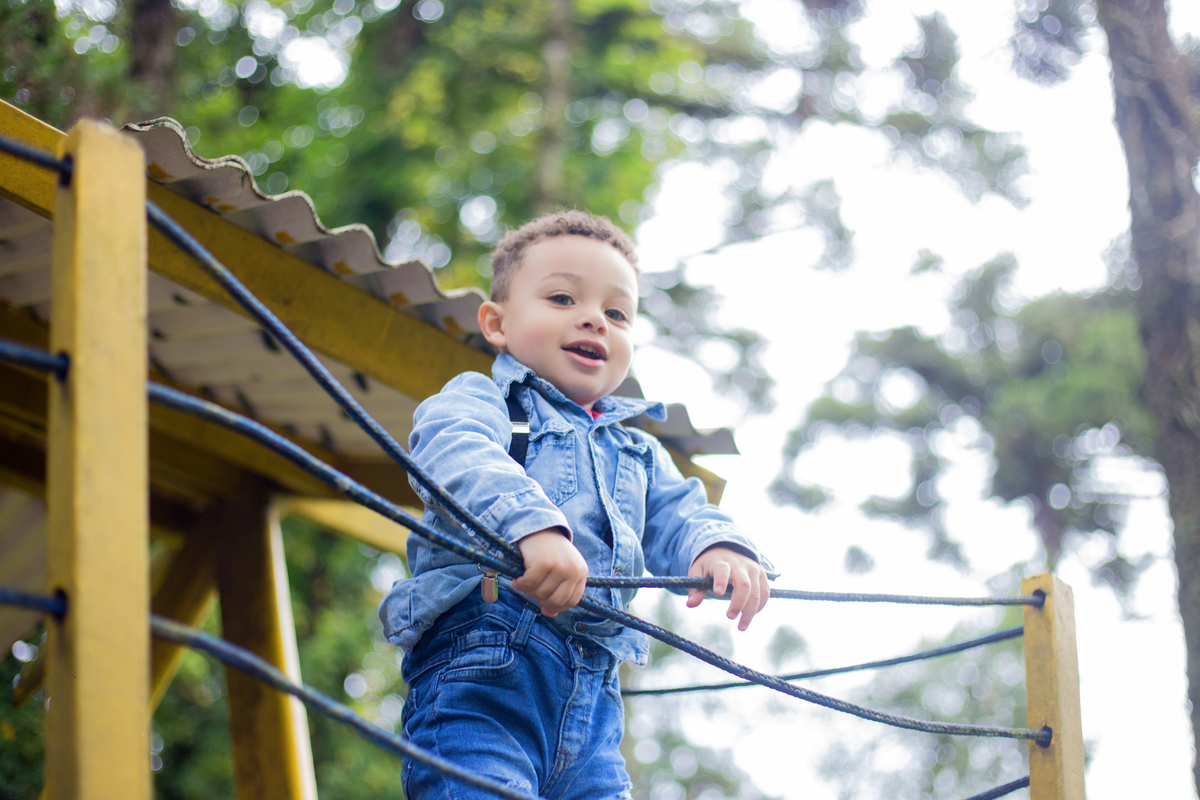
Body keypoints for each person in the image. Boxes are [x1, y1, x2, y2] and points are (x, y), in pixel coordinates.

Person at [379, 210, 774, 800]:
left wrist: (719, 546)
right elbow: (452, 453)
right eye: (563, 297)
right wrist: (534, 526)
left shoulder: (638, 451)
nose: (594, 318)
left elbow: (679, 512)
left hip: (595, 704)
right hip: (486, 676)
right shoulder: (484, 402)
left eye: (617, 313)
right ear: (497, 323)